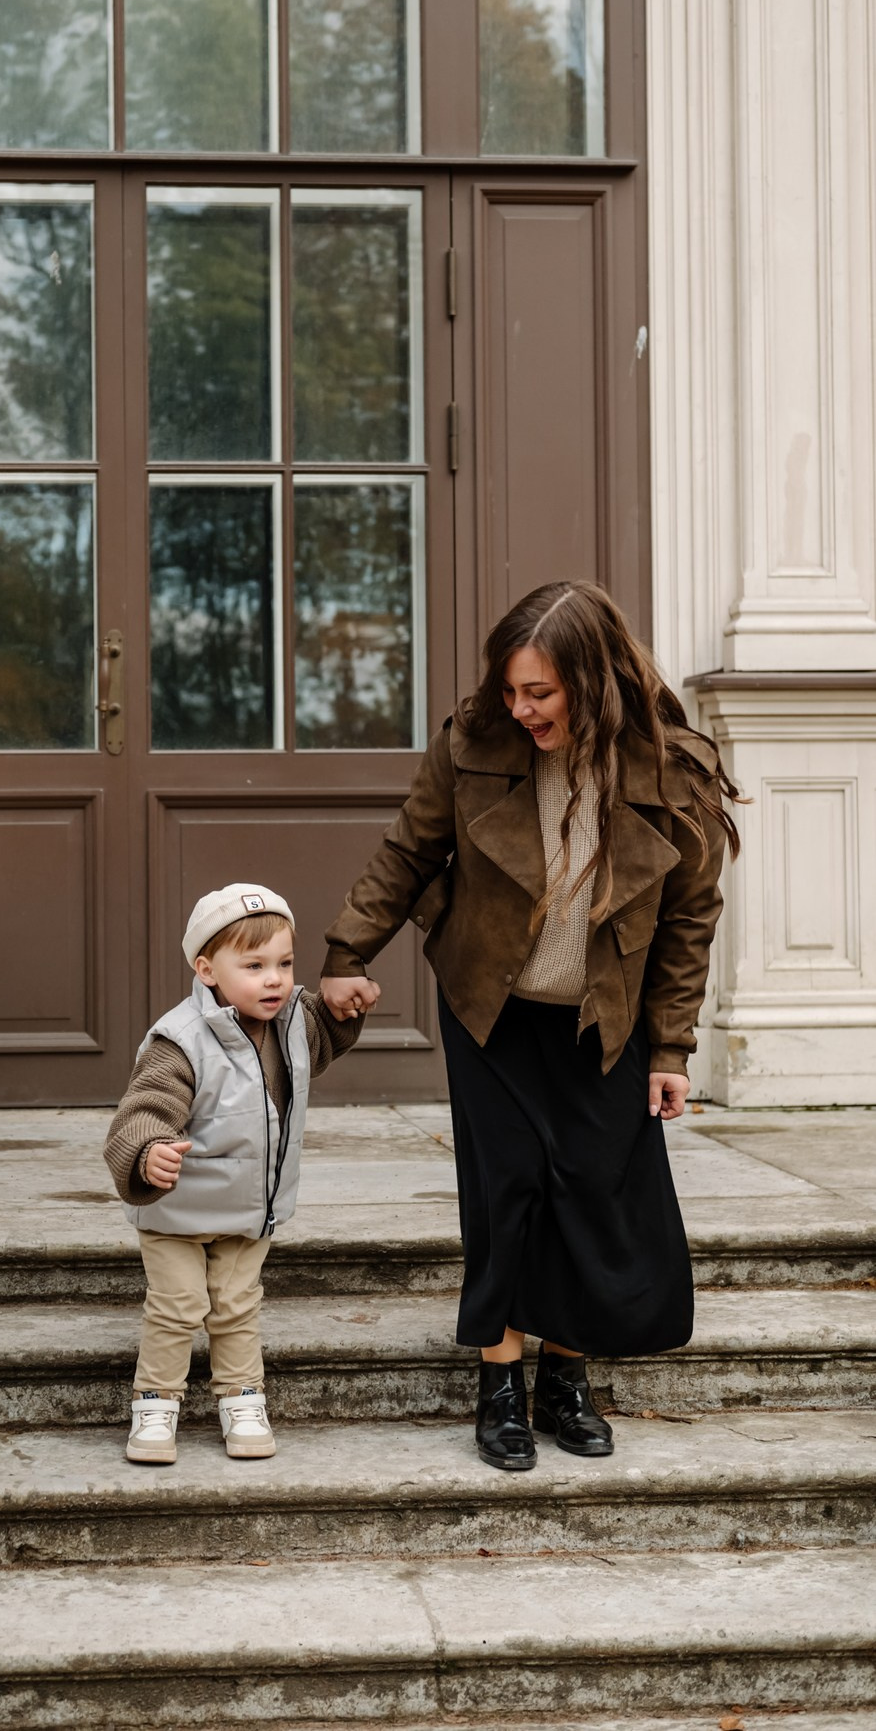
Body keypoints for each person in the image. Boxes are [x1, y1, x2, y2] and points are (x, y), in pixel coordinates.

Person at [320, 580, 742, 1472]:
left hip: (604, 1021)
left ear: (593, 681)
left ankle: (566, 1377)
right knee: (506, 1186)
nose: (520, 708)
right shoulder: (473, 743)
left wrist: (672, 1048)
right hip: (492, 1012)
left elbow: (687, 922)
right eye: (511, 690)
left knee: (589, 1192)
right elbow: (407, 850)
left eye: (540, 693)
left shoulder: (674, 769)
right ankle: (499, 1384)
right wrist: (346, 953)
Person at [104, 883, 362, 1465]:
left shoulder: (292, 1020)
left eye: (284, 963)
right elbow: (143, 1110)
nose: (274, 979)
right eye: (254, 965)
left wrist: (347, 1004)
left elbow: (326, 1033)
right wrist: (148, 1153)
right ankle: (155, 1405)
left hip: (248, 1210)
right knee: (177, 1304)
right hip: (176, 1211)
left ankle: (242, 1399)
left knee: (237, 1305)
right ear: (207, 969)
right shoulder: (181, 1041)